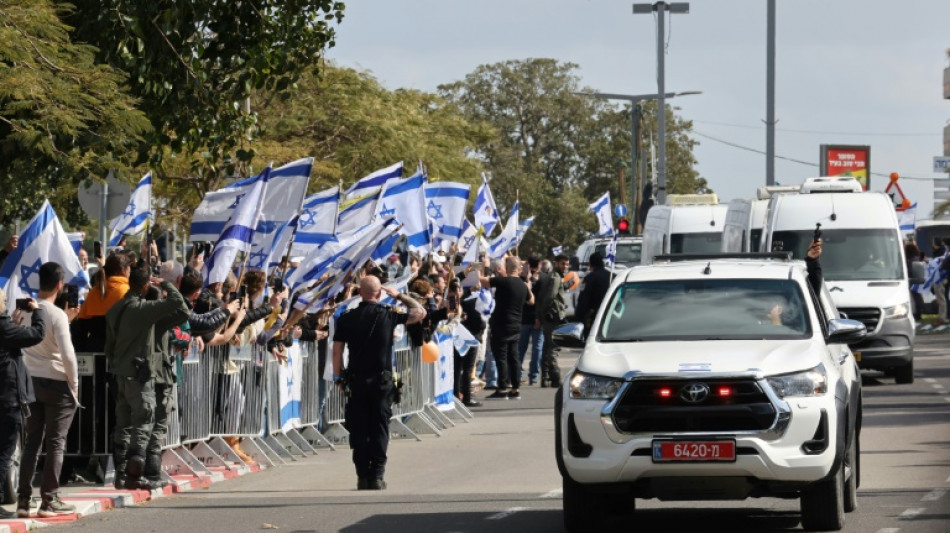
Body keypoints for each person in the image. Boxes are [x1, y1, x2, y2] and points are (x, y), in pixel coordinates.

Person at [332, 276, 425, 490]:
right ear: (379, 293)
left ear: (360, 293)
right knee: (380, 427)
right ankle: (377, 475)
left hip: (356, 380)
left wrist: (338, 376)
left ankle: (362, 476)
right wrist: (400, 296)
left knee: (359, 428)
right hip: (381, 381)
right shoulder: (388, 314)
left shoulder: (347, 317)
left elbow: (337, 349)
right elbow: (420, 313)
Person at [104, 266, 189, 490]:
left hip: (120, 374)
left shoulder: (116, 309)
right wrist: (165, 284)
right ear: (144, 286)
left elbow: (110, 346)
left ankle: (121, 475)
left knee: (123, 425)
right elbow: (179, 304)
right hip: (139, 374)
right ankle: (134, 477)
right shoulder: (142, 309)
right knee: (143, 423)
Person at [17, 262, 80, 517]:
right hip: (57, 381)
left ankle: (24, 500)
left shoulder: (23, 311)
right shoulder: (57, 315)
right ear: (59, 285)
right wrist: (74, 383)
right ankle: (50, 499)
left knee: (32, 441)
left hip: (30, 380)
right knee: (56, 442)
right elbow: (67, 354)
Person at [0, 292, 45, 518]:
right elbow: (38, 334)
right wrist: (37, 311)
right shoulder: (4, 329)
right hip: (7, 399)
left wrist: (13, 325)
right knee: (5, 452)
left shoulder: (7, 329)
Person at [472, 255, 533, 400]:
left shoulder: (503, 281)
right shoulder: (522, 285)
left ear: (506, 267)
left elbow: (483, 281)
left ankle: (502, 388)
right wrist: (528, 284)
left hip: (501, 324)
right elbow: (531, 301)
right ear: (518, 269)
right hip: (516, 325)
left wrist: (480, 268)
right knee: (514, 357)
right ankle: (515, 388)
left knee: (501, 357)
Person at [534, 255, 569, 388]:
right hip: (553, 317)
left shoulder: (554, 276)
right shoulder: (555, 278)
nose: (565, 267)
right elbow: (549, 298)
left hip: (550, 316)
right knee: (553, 347)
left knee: (547, 346)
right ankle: (554, 376)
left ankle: (545, 378)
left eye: (566, 264)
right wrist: (543, 315)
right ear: (556, 263)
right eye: (562, 264)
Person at [517, 257, 542, 385]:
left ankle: (532, 376)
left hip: (532, 319)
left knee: (535, 349)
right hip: (526, 319)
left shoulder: (539, 280)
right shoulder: (523, 281)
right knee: (523, 349)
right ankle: (521, 375)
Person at [574, 252, 611, 339]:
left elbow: (583, 301)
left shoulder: (589, 278)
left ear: (590, 264)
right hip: (611, 316)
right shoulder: (613, 276)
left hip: (594, 318)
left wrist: (578, 319)